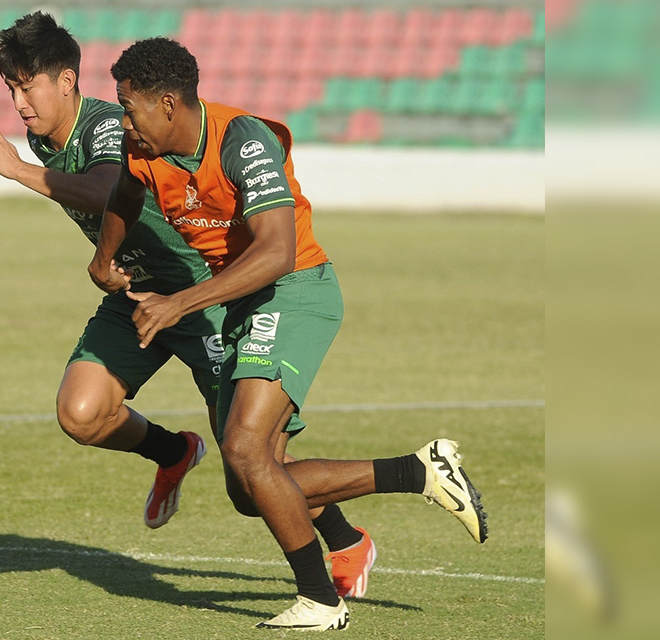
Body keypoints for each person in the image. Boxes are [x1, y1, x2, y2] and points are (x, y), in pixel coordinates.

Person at [0, 13, 377, 601]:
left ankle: (344, 539)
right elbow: (121, 204)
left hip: (198, 295)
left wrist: (22, 173)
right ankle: (173, 451)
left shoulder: (111, 125)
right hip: (134, 297)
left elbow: (112, 186)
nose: (18, 102)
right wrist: (104, 261)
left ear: (66, 79)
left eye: (26, 86)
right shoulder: (43, 137)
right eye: (10, 88)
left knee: (249, 468)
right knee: (81, 413)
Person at [90, 38, 488, 630]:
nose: (123, 120)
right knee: (251, 487)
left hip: (295, 289)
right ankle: (419, 471)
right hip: (240, 300)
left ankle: (320, 600)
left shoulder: (241, 140)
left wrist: (180, 302)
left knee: (248, 450)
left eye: (129, 107)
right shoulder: (141, 147)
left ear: (168, 103)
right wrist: (106, 254)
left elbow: (277, 252)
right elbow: (124, 193)